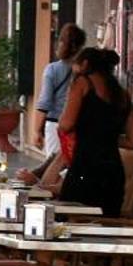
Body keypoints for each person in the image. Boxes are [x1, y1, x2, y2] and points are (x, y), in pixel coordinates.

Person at [58, 47, 133, 217]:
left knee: (70, 220)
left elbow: (65, 125)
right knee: (105, 224)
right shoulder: (122, 94)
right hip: (113, 172)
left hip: (85, 167)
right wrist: (108, 137)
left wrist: (91, 133)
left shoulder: (83, 83)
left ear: (85, 64)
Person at [33, 22, 88, 162]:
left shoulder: (52, 70)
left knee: (53, 166)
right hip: (79, 126)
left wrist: (36, 131)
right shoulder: (87, 71)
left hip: (55, 125)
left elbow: (44, 103)